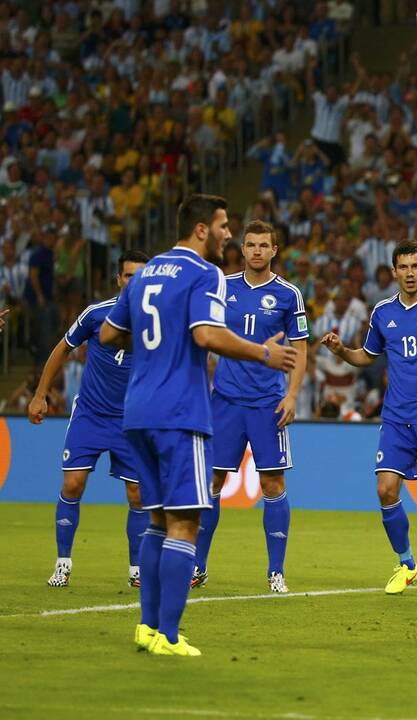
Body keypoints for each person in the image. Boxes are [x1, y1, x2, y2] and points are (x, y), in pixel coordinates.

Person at [100, 194, 296, 657]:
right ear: (202, 229)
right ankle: (168, 635)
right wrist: (263, 352)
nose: (230, 234)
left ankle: (146, 629)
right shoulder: (203, 272)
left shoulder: (146, 271)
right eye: (224, 226)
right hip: (178, 412)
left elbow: (108, 333)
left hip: (136, 411)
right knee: (185, 522)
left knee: (156, 522)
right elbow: (207, 335)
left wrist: (159, 340)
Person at [320, 241, 417, 599]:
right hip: (396, 418)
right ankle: (407, 565)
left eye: (415, 266)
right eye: (403, 267)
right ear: (394, 272)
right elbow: (366, 357)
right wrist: (341, 351)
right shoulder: (382, 313)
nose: (409, 273)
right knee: (385, 489)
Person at [193, 220, 309, 593]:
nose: (257, 250)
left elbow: (301, 349)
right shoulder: (220, 287)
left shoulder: (290, 294)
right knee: (212, 482)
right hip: (224, 402)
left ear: (275, 251)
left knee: (273, 483)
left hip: (267, 405)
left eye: (264, 245)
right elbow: (202, 337)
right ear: (241, 250)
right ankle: (197, 566)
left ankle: (276, 572)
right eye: (251, 244)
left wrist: (291, 395)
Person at [29, 250, 150, 589]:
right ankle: (63, 564)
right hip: (91, 415)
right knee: (72, 484)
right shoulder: (97, 314)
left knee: (138, 495)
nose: (134, 281)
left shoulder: (158, 321)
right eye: (129, 275)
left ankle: (137, 570)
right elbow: (62, 348)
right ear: (119, 279)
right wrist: (40, 394)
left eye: (141, 275)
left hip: (133, 421)